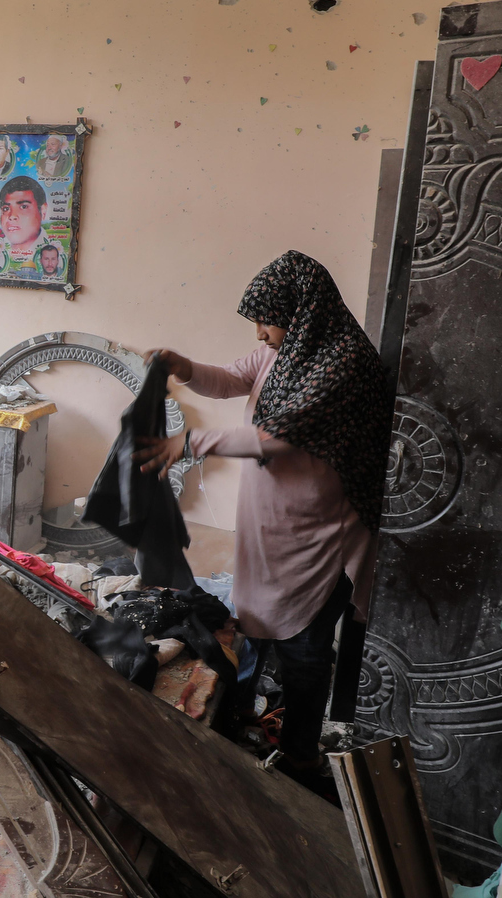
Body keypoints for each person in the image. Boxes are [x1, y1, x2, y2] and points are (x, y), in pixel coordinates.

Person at [139, 251, 393, 774]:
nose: (258, 333)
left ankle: (301, 755)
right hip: (275, 527)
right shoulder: (286, 353)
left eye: (265, 320)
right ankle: (251, 723)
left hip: (320, 532)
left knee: (304, 646)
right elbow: (233, 378)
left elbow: (275, 439)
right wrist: (183, 368)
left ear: (300, 313)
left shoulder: (340, 362)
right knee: (256, 625)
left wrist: (190, 441)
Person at [0, 176, 50, 270]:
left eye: (23, 207)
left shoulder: (55, 254)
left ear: (43, 211)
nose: (12, 216)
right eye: (6, 209)